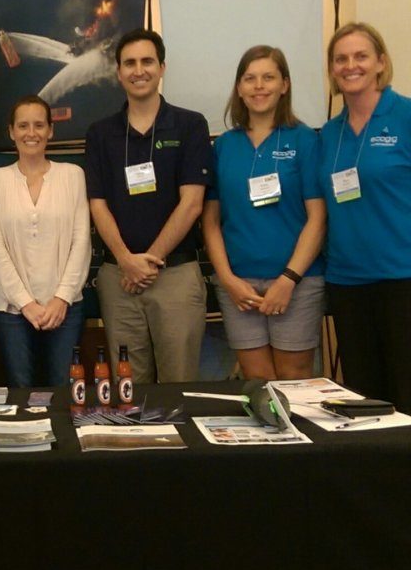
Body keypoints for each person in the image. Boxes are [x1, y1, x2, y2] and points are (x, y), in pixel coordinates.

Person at [85, 28, 212, 383]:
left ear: (162, 68)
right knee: (130, 390)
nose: (138, 70)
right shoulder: (100, 133)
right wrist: (127, 261)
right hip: (119, 278)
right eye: (129, 63)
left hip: (175, 276)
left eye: (147, 61)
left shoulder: (190, 125)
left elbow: (192, 204)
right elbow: (97, 204)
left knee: (178, 387)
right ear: (118, 72)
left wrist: (149, 261)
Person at [202, 45, 326, 380]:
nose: (259, 86)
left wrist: (288, 280)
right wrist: (228, 280)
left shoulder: (304, 140)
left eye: (268, 77)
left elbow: (317, 218)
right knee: (257, 382)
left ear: (284, 85)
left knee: (294, 380)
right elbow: (210, 222)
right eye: (250, 78)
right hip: (239, 285)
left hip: (296, 283)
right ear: (239, 88)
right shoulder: (224, 146)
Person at [318, 22, 411, 410]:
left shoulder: (405, 116)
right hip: (347, 282)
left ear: (381, 63)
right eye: (341, 59)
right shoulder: (329, 133)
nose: (350, 65)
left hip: (402, 278)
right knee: (364, 399)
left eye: (361, 56)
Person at [0, 95, 91, 387]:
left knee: (64, 390)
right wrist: (26, 304)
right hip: (12, 312)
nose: (31, 133)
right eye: (23, 126)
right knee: (21, 392)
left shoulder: (73, 175)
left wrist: (61, 297)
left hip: (65, 307)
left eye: (39, 125)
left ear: (50, 130)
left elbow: (81, 242)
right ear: (11, 131)